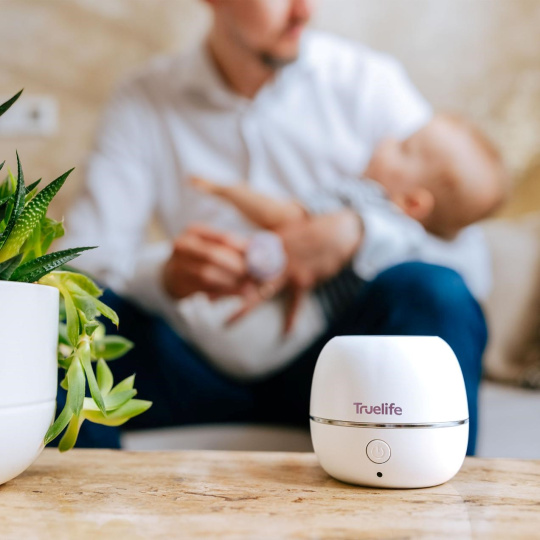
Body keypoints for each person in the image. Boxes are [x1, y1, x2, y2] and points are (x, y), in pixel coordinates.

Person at [58, 0, 490, 455]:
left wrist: (358, 233)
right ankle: (86, 499)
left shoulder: (368, 82)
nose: (305, 10)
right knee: (61, 319)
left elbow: (469, 263)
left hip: (337, 369)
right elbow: (84, 266)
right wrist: (166, 276)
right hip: (189, 362)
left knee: (436, 294)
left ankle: (438, 495)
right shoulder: (144, 99)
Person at [180, 112, 506, 374]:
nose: (387, 140)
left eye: (404, 148)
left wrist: (228, 190)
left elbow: (282, 216)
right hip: (330, 342)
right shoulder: (418, 241)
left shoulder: (363, 197)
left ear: (414, 203)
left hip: (292, 320)